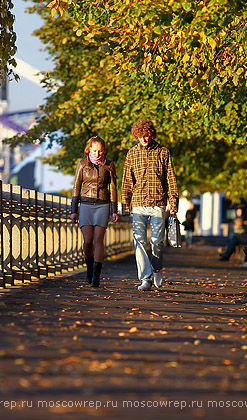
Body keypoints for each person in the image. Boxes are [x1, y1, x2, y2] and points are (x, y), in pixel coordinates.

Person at [121, 119, 179, 291]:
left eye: (146, 135)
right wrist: (125, 205)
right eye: (140, 136)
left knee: (157, 242)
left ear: (151, 134)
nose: (144, 139)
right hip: (138, 203)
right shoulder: (131, 154)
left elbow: (171, 179)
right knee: (139, 241)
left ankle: (157, 268)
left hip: (158, 204)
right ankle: (145, 278)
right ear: (136, 136)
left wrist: (173, 202)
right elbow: (126, 181)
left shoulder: (163, 152)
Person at [70, 136, 119, 288]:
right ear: (89, 150)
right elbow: (76, 187)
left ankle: (96, 277)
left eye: (100, 151)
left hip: (103, 205)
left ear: (104, 151)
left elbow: (113, 188)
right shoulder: (82, 164)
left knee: (98, 240)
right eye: (95, 150)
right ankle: (89, 268)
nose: (98, 154)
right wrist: (74, 210)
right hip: (85, 204)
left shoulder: (109, 165)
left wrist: (114, 210)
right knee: (88, 241)